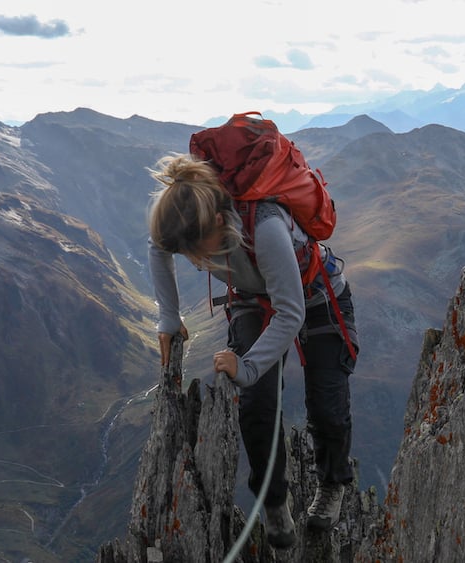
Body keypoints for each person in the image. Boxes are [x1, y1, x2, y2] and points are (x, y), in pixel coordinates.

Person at [147, 153, 358, 549]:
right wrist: (169, 319)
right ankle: (274, 500)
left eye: (198, 248)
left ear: (215, 221)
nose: (196, 258)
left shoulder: (266, 228)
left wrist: (245, 368)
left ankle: (332, 482)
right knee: (257, 408)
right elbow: (157, 248)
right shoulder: (189, 221)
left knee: (328, 403)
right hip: (251, 298)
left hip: (315, 296)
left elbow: (290, 312)